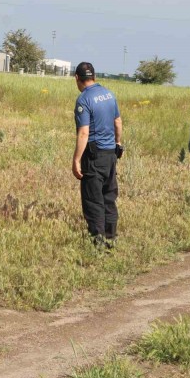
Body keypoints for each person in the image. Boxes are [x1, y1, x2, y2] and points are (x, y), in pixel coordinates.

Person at [72, 62, 123, 249]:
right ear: (94, 76)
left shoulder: (84, 100)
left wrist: (76, 159)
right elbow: (118, 122)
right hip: (110, 155)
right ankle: (111, 239)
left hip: (93, 157)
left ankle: (98, 244)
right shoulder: (109, 94)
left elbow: (84, 133)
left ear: (77, 78)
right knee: (109, 198)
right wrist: (118, 143)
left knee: (93, 201)